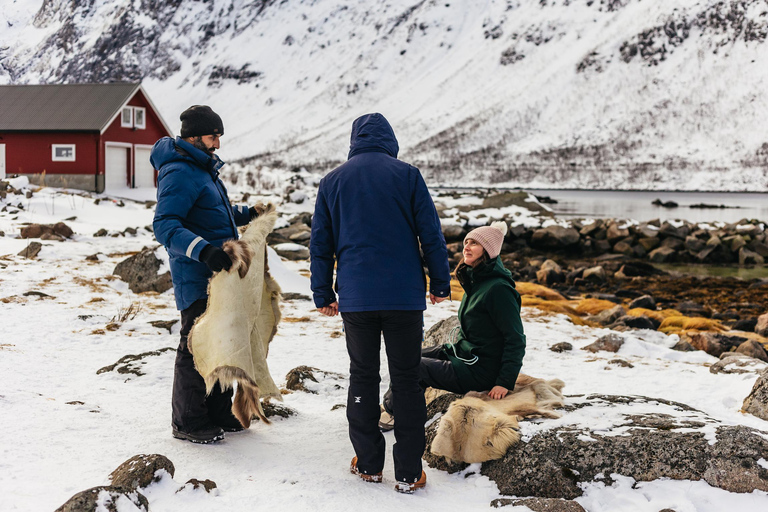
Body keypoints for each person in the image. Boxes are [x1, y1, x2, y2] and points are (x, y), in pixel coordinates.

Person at [310, 113, 451, 494]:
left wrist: (323, 293)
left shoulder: (332, 181)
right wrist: (440, 282)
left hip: (356, 298)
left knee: (363, 375)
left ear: (355, 140)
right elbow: (431, 235)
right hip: (404, 297)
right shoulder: (407, 175)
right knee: (406, 379)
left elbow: (320, 245)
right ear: (390, 139)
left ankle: (369, 463)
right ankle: (408, 471)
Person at [152, 105, 263, 444]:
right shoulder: (180, 171)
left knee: (221, 344)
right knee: (196, 347)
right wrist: (205, 250)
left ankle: (218, 412)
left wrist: (246, 213)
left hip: (218, 279)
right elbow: (165, 225)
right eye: (214, 136)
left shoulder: (201, 170)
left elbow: (213, 210)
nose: (218, 144)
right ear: (194, 136)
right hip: (197, 276)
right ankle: (188, 420)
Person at [380, 221, 526, 429]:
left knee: (415, 367)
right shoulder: (478, 281)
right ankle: (390, 407)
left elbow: (516, 339)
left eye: (474, 243)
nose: (466, 247)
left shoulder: (499, 289)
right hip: (465, 355)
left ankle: (396, 414)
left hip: (480, 370)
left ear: (489, 250)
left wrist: (504, 381)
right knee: (408, 356)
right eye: (466, 242)